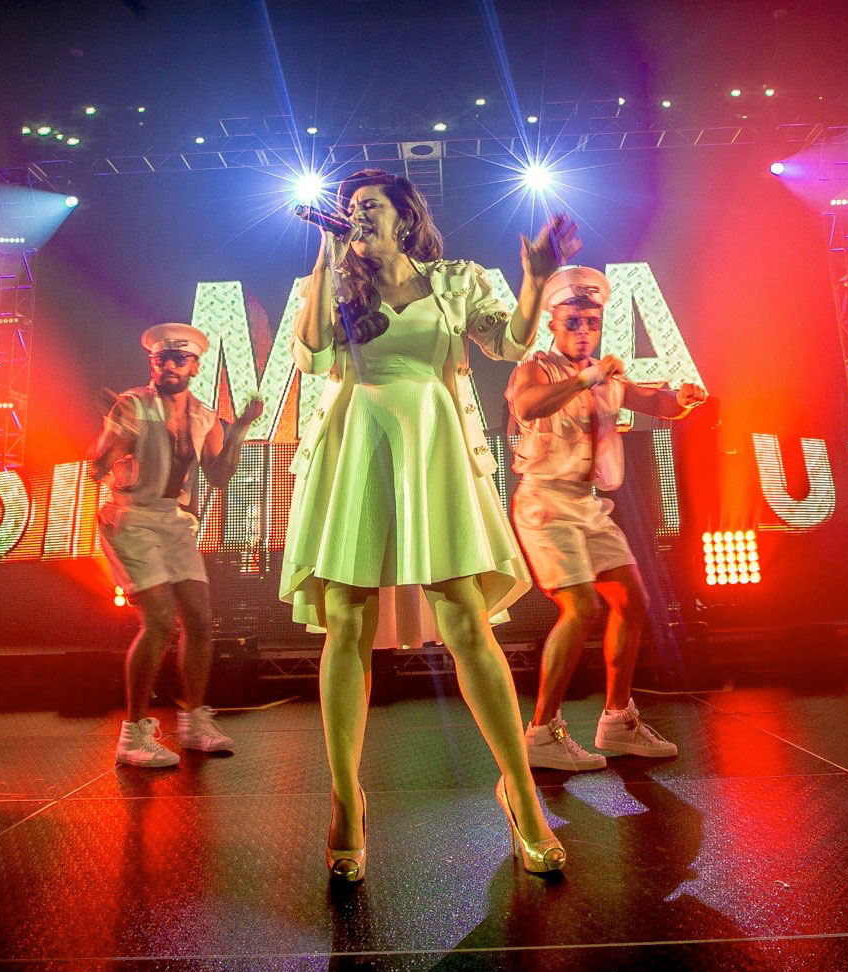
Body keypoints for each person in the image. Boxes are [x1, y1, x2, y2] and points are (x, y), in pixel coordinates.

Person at [282, 167, 579, 881]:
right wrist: (325, 257)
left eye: (369, 205)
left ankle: (521, 793)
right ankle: (346, 801)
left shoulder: (455, 281)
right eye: (348, 207)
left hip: (433, 447)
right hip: (355, 445)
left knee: (465, 619)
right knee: (348, 619)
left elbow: (509, 343)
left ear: (404, 217)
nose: (356, 215)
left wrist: (536, 280)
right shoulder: (327, 281)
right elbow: (312, 355)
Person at [505, 266, 708, 770]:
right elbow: (527, 407)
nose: (582, 331)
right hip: (544, 503)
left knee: (632, 601)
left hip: (588, 505)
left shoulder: (607, 376)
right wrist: (584, 379)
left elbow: (654, 401)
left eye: (591, 322)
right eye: (572, 322)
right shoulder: (537, 369)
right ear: (553, 323)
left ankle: (618, 720)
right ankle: (542, 733)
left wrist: (682, 402)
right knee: (581, 609)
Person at [90, 322, 264, 767]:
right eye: (161, 358)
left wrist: (241, 428)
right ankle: (133, 734)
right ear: (153, 363)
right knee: (160, 622)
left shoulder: (204, 417)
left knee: (201, 620)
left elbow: (219, 476)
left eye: (178, 359)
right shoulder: (133, 405)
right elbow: (98, 465)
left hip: (174, 521)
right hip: (131, 518)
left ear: (194, 366)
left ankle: (194, 722)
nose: (168, 366)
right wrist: (117, 438)